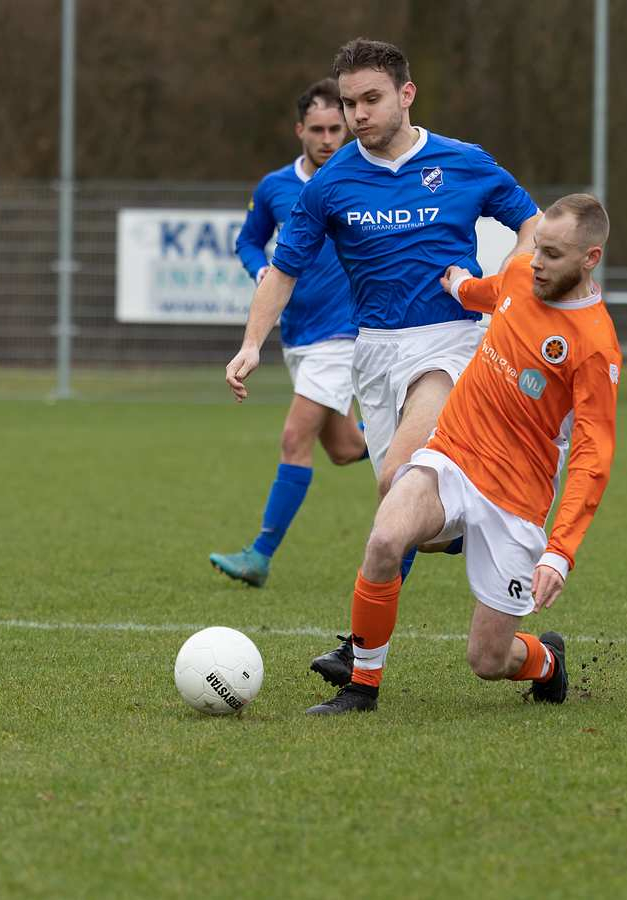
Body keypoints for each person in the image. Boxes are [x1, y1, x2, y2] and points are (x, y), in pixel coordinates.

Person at [224, 39, 542, 670]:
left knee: (400, 479)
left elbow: (532, 221)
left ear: (406, 94)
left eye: (371, 99)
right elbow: (282, 270)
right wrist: (251, 343)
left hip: (451, 344)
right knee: (395, 499)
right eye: (349, 103)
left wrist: (513, 280)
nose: (357, 115)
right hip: (374, 352)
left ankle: (358, 659)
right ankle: (466, 524)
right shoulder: (332, 182)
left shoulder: (463, 161)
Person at [303, 194, 620, 715]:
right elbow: (491, 292)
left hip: (516, 499)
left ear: (590, 259)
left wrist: (560, 552)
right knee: (385, 538)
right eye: (537, 247)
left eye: (554, 255)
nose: (537, 263)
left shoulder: (594, 346)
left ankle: (546, 662)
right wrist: (457, 286)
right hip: (452, 454)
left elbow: (593, 455)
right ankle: (361, 687)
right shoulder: (523, 274)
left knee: (488, 659)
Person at [209, 79, 367, 588]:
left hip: (344, 336)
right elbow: (248, 241)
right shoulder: (275, 186)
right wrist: (260, 271)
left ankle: (260, 554)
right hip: (298, 336)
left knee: (294, 438)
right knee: (343, 449)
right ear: (300, 130)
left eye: (335, 129)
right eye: (317, 129)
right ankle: (419, 443)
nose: (327, 138)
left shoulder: (362, 178)